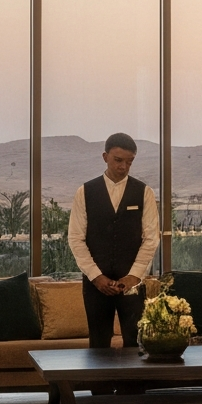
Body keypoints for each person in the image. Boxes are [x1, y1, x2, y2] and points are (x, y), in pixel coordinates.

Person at [67, 133, 158, 352]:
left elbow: (151, 238)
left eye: (129, 162)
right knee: (98, 343)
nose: (123, 166)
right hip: (96, 283)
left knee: (136, 343)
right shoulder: (85, 192)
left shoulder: (144, 192)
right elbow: (76, 238)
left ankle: (133, 378)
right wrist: (96, 277)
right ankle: (100, 379)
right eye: (118, 160)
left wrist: (134, 275)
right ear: (105, 157)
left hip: (133, 282)